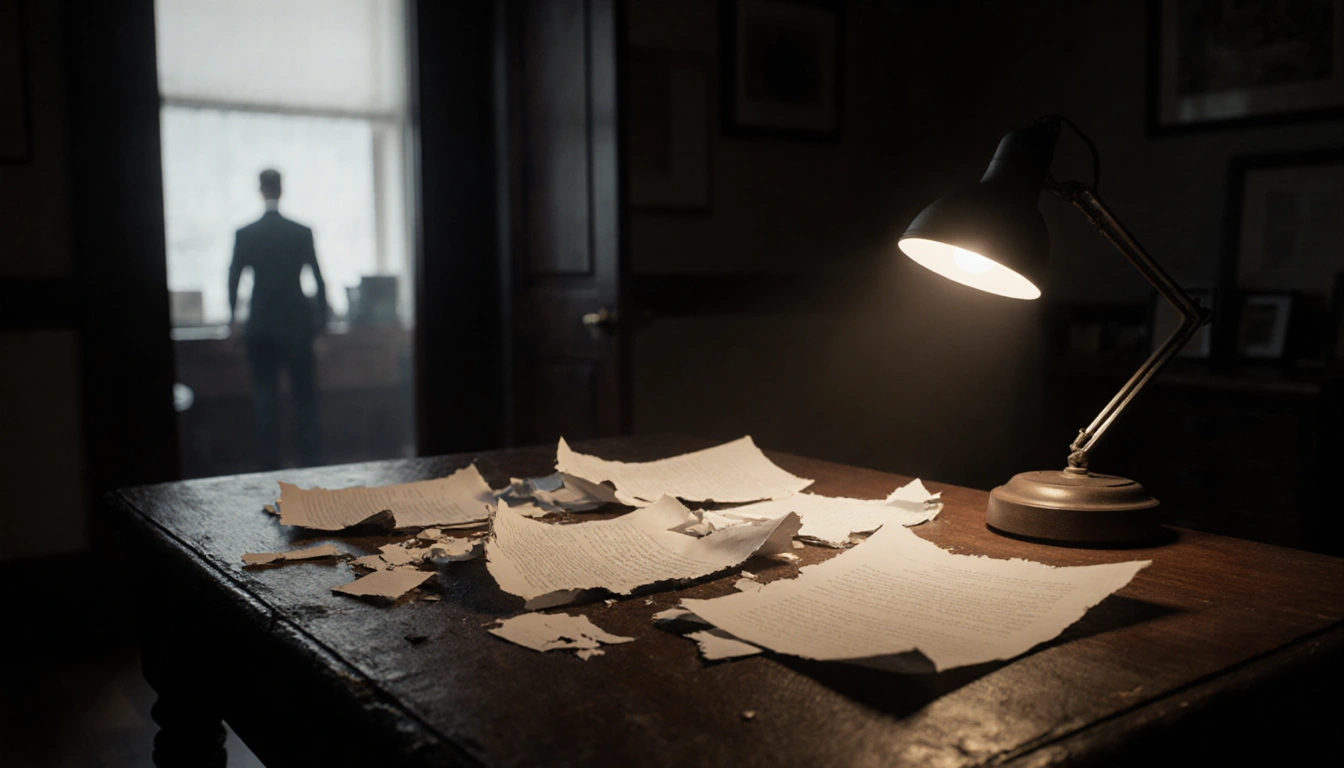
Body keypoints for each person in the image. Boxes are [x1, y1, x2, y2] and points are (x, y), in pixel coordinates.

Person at [228, 169, 327, 469]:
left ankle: (269, 469)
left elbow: (232, 279)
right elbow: (320, 280)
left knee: (265, 401)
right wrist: (322, 324)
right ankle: (310, 467)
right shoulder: (301, 231)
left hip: (261, 326)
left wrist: (233, 317)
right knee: (305, 403)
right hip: (297, 325)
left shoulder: (246, 233)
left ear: (260, 190)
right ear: (281, 189)